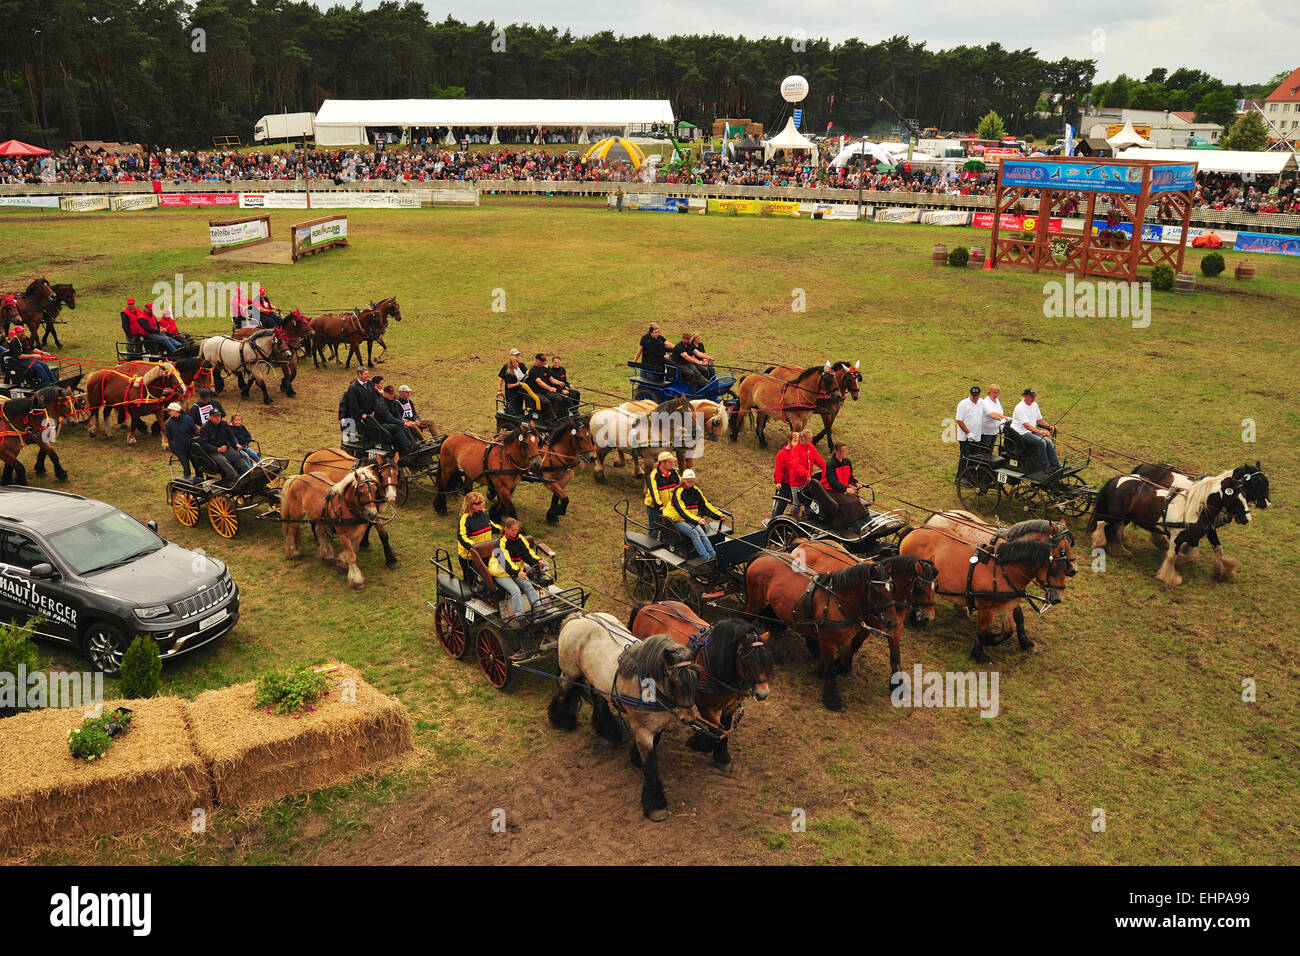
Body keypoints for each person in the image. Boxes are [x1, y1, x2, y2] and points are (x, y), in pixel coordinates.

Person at [662, 469, 727, 564]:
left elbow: (705, 505)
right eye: (689, 481)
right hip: (675, 520)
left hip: (688, 518)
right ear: (683, 480)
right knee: (694, 534)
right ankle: (706, 558)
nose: (691, 483)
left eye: (693, 481)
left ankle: (713, 554)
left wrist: (718, 515)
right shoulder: (678, 492)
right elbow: (682, 511)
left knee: (701, 533)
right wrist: (697, 520)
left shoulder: (696, 490)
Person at [488, 518, 543, 622]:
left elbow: (527, 554)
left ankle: (539, 609)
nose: (515, 532)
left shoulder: (520, 539)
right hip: (501, 573)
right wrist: (517, 572)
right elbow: (505, 563)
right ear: (506, 529)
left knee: (528, 586)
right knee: (515, 590)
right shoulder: (500, 544)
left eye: (517, 530)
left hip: (515, 572)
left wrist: (537, 561)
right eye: (513, 530)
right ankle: (519, 616)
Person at [774, 430, 825, 519]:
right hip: (793, 482)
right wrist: (778, 481)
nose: (812, 440)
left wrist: (828, 468)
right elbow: (795, 466)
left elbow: (818, 460)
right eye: (810, 438)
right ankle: (790, 520)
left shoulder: (810, 447)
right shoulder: (791, 451)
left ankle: (807, 519)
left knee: (808, 502)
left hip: (806, 480)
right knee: (794, 504)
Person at [1010, 387, 1061, 476]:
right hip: (1021, 433)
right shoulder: (1020, 408)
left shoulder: (1035, 405)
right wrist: (1041, 432)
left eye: (1034, 396)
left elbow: (1039, 420)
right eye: (1031, 396)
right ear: (1025, 396)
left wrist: (1050, 427)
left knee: (1049, 442)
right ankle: (1045, 467)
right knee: (1042, 442)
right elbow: (1027, 425)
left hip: (1031, 430)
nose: (1033, 398)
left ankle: (1056, 465)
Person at [198, 408, 252, 487]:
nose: (218, 418)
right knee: (223, 461)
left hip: (225, 448)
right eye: (215, 416)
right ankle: (235, 479)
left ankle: (248, 474)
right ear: (210, 417)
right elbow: (204, 444)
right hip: (213, 451)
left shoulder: (224, 424)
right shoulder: (205, 428)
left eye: (219, 416)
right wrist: (217, 449)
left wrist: (236, 444)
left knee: (237, 455)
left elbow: (231, 436)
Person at [821, 441, 869, 527]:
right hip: (832, 492)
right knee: (849, 503)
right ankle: (856, 524)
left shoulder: (847, 462)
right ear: (836, 451)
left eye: (845, 451)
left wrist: (856, 483)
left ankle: (867, 519)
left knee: (856, 500)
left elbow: (850, 477)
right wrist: (846, 489)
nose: (843, 453)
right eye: (841, 451)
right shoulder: (830, 464)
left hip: (843, 490)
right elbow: (833, 482)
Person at [457, 491, 500, 583]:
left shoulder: (484, 513)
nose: (482, 504)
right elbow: (461, 537)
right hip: (469, 557)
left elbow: (492, 526)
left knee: (483, 578)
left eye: (482, 502)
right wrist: (475, 547)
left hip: (484, 553)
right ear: (470, 505)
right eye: (478, 503)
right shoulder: (464, 519)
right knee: (470, 582)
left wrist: (505, 531)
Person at [644, 450, 681, 539]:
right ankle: (649, 552)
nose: (672, 464)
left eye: (673, 462)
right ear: (662, 463)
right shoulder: (653, 475)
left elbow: (680, 486)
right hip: (655, 508)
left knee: (667, 530)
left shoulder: (674, 472)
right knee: (654, 531)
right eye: (670, 462)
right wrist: (659, 506)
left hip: (668, 508)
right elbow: (654, 493)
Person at [374, 381, 415, 453]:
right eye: (390, 394)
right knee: (397, 427)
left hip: (391, 422)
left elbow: (397, 414)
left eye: (393, 393)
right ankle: (408, 447)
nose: (392, 395)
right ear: (385, 393)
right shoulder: (381, 403)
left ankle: (412, 444)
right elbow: (389, 418)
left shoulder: (393, 402)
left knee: (404, 427)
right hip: (382, 424)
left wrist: (402, 421)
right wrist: (402, 423)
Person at [339, 367, 376, 441]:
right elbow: (352, 403)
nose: (368, 376)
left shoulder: (370, 384)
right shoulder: (352, 388)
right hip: (356, 417)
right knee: (349, 439)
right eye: (365, 374)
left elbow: (373, 398)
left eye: (368, 374)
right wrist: (361, 413)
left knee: (367, 438)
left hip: (369, 416)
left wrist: (373, 410)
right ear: (359, 374)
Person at [525, 353, 567, 419]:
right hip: (536, 392)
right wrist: (550, 388)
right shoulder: (533, 371)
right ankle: (551, 418)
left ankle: (554, 415)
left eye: (544, 361)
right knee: (546, 402)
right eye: (541, 361)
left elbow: (551, 379)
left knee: (558, 398)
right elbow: (539, 382)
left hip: (545, 391)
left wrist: (559, 382)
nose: (543, 362)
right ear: (536, 360)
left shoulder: (545, 368)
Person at [163, 402, 199, 477]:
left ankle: (200, 482)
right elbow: (169, 437)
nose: (168, 413)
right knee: (186, 469)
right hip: (179, 450)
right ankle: (187, 485)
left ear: (176, 411)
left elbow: (195, 431)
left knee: (198, 467)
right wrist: (172, 449)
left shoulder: (188, 419)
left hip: (191, 447)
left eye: (170, 411)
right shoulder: (168, 423)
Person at [497, 349, 529, 414]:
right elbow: (501, 378)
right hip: (511, 392)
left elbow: (526, 371)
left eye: (518, 355)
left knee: (519, 406)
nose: (517, 356)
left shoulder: (521, 365)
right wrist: (499, 390)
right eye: (515, 355)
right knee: (513, 409)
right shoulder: (506, 368)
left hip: (520, 391)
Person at [955, 385, 984, 458]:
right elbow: (959, 420)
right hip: (965, 438)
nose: (975, 398)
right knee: (965, 458)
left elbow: (989, 412)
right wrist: (968, 433)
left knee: (974, 458)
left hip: (976, 437)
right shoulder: (963, 404)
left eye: (976, 396)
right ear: (970, 394)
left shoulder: (981, 402)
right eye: (973, 396)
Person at [979, 383, 1007, 450]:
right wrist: (1003, 419)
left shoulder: (996, 400)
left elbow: (999, 412)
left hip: (994, 431)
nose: (996, 395)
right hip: (986, 432)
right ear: (989, 392)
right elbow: (993, 414)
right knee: (985, 449)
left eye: (997, 393)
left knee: (991, 448)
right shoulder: (986, 402)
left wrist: (1006, 418)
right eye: (994, 393)